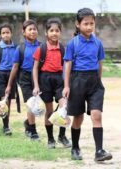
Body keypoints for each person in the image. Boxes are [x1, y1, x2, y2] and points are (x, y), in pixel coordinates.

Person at [62, 8, 112, 161]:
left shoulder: (98, 43)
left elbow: (100, 63)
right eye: (86, 24)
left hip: (94, 82)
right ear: (78, 24)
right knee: (78, 118)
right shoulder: (73, 44)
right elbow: (68, 65)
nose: (89, 27)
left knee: (97, 115)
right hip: (77, 80)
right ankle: (75, 147)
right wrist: (66, 85)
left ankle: (99, 151)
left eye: (92, 24)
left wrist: (98, 80)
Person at [32, 17, 71, 148]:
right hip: (45, 80)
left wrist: (67, 85)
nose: (54, 33)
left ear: (60, 32)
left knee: (64, 107)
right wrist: (36, 86)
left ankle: (62, 135)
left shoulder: (63, 49)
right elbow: (35, 69)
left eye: (57, 30)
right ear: (46, 33)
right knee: (49, 111)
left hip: (60, 80)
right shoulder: (41, 49)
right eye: (51, 30)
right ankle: (50, 139)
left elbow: (66, 67)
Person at [5, 20, 40, 141]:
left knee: (39, 106)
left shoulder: (42, 46)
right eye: (29, 29)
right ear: (24, 32)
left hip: (39, 77)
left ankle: (28, 123)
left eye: (34, 29)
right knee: (31, 104)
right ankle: (33, 131)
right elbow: (15, 67)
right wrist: (9, 85)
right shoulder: (20, 49)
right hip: (24, 78)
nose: (32, 31)